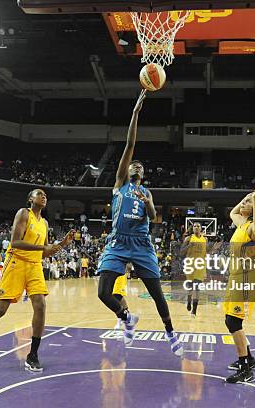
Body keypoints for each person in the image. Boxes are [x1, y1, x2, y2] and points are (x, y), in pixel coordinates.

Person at [96, 89, 182, 356]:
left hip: (142, 244)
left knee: (157, 295)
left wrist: (148, 205)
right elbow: (129, 146)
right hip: (119, 242)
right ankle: (126, 317)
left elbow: (154, 214)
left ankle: (171, 334)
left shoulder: (146, 193)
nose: (136, 167)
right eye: (134, 165)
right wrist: (135, 113)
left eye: (140, 168)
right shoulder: (120, 184)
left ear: (143, 176)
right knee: (103, 293)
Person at [0, 189, 74, 372]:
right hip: (16, 262)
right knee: (0, 310)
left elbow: (44, 251)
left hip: (34, 265)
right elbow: (15, 242)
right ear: (30, 199)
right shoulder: (23, 213)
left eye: (45, 195)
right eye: (39, 194)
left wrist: (61, 245)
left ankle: (33, 354)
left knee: (40, 304)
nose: (43, 196)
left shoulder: (44, 223)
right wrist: (43, 247)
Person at [223, 181, 255, 384]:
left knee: (234, 322)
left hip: (246, 279)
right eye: (244, 202)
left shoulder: (252, 229)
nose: (243, 204)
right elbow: (233, 212)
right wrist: (247, 196)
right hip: (236, 277)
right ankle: (248, 359)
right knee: (229, 320)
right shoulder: (241, 224)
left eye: (247, 203)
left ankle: (245, 368)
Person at [180, 222, 221, 318]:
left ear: (201, 228)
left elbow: (207, 251)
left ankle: (194, 311)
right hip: (190, 265)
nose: (196, 227)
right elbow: (181, 251)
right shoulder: (188, 238)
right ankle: (189, 300)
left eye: (198, 226)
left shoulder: (205, 239)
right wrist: (190, 246)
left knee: (197, 288)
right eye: (195, 226)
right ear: (193, 228)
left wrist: (214, 247)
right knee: (190, 287)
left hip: (200, 266)